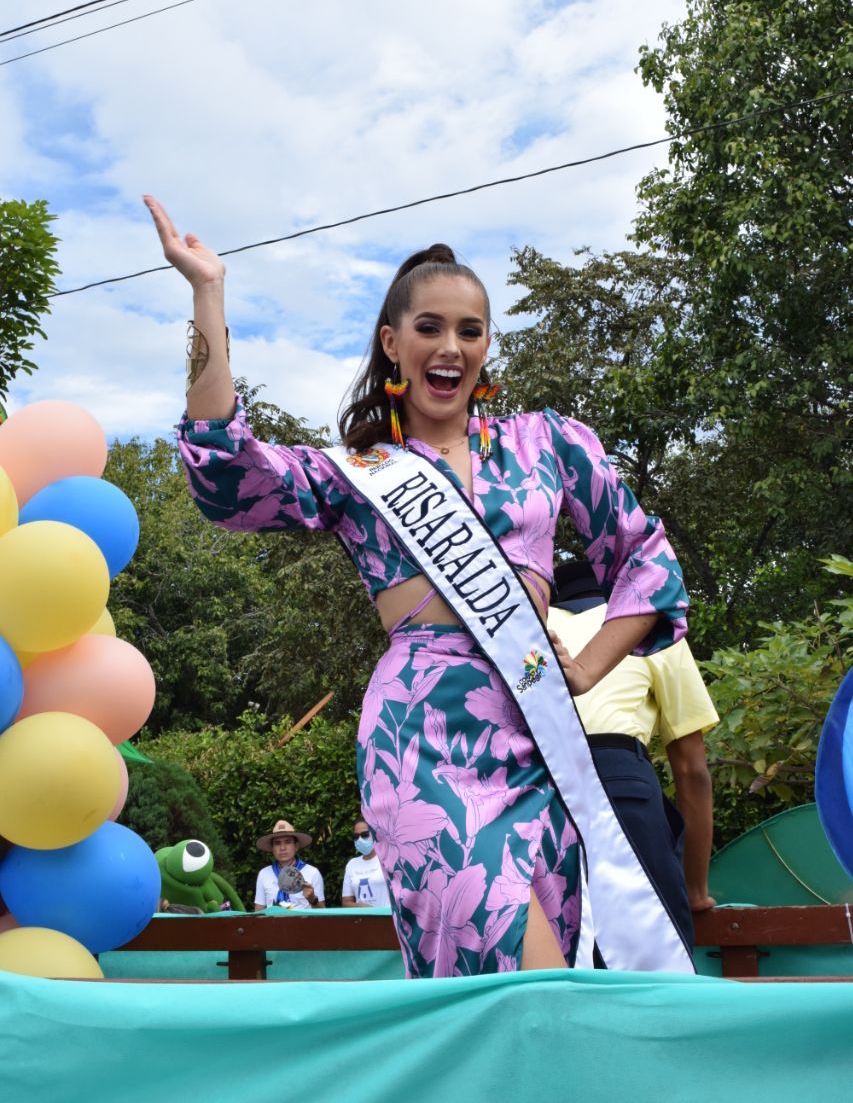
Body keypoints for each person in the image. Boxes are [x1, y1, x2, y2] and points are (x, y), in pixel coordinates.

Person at [147, 194, 691, 978]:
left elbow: (647, 557)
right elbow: (227, 472)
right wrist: (207, 292)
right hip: (420, 739)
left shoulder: (546, 445)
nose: (450, 347)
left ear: (486, 345)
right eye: (429, 328)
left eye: (469, 330)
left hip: (534, 728)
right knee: (507, 958)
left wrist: (589, 665)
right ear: (391, 343)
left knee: (557, 965)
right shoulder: (355, 472)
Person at [549, 559, 718, 949]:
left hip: (541, 786)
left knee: (562, 946)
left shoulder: (538, 634)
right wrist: (694, 891)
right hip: (621, 783)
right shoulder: (647, 626)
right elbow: (692, 771)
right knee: (655, 946)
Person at [253, 819, 325, 910]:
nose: (282, 848)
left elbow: (322, 913)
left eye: (287, 842)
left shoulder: (312, 872)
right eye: (277, 843)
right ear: (272, 848)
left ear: (296, 846)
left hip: (303, 919)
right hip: (273, 920)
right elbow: (259, 911)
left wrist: (313, 899)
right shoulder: (264, 874)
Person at [341, 820, 391, 908]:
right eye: (356, 836)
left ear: (375, 834)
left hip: (387, 915)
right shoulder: (351, 864)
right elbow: (346, 902)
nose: (360, 839)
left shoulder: (388, 859)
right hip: (361, 916)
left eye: (365, 835)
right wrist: (359, 907)